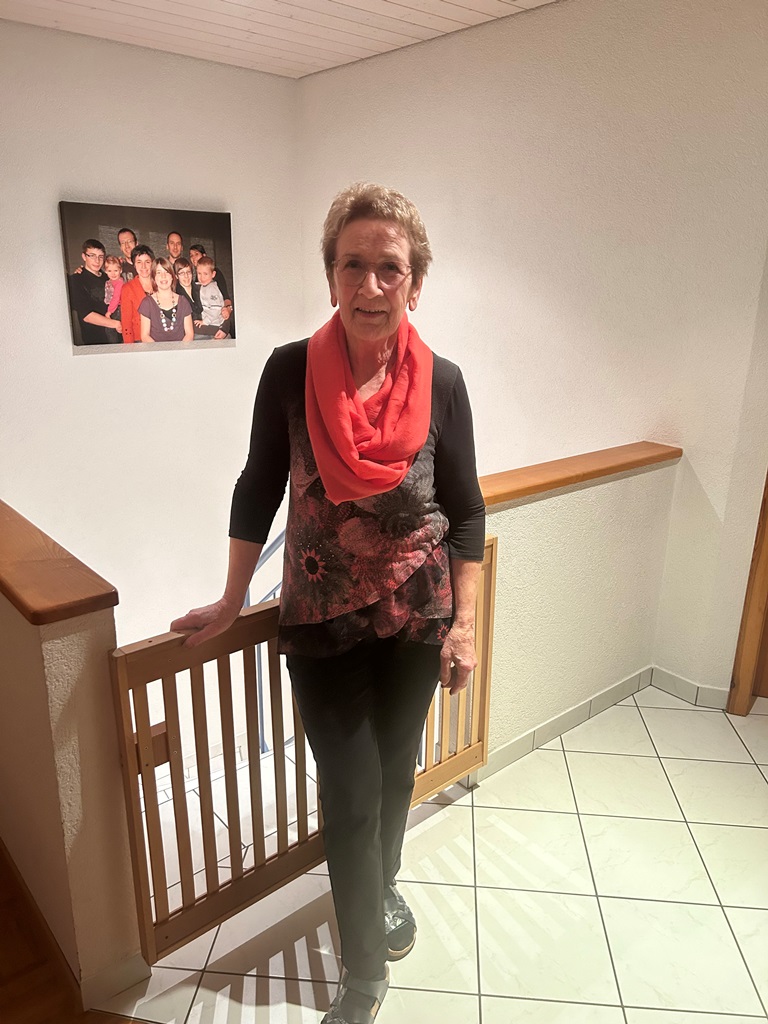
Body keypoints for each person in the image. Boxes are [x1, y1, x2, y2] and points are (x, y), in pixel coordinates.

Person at [171, 183, 485, 1024]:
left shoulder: (444, 383)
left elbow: (467, 512)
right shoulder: (289, 371)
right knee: (349, 789)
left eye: (390, 268)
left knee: (394, 771)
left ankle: (381, 887)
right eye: (354, 265)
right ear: (331, 275)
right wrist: (232, 597)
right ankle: (364, 974)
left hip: (416, 621)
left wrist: (464, 627)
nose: (371, 286)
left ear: (415, 282)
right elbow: (258, 485)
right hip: (319, 622)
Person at [67, 239, 123, 345]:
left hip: (119, 338)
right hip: (95, 341)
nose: (97, 261)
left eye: (100, 256)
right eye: (92, 256)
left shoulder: (109, 277)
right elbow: (86, 315)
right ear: (84, 256)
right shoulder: (76, 280)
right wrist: (115, 324)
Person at [139, 258, 194, 343]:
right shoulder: (147, 303)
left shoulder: (183, 302)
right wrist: (159, 350)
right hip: (155, 350)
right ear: (154, 277)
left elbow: (189, 334)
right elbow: (145, 336)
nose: (163, 276)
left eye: (166, 272)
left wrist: (181, 350)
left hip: (181, 349)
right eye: (159, 273)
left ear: (172, 276)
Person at [119, 244, 155, 344]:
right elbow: (126, 323)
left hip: (159, 338)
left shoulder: (160, 284)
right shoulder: (127, 288)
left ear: (152, 263)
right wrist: (129, 347)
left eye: (147, 262)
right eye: (139, 262)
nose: (143, 266)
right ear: (134, 264)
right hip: (138, 340)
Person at [194, 256, 233, 339]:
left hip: (215, 325)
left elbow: (215, 310)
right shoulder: (204, 286)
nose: (202, 277)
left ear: (213, 274)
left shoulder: (212, 289)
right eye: (199, 273)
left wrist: (205, 322)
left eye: (205, 274)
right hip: (210, 323)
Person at [173, 257, 203, 322]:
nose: (186, 276)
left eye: (188, 272)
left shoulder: (201, 288)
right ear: (176, 276)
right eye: (182, 273)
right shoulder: (175, 296)